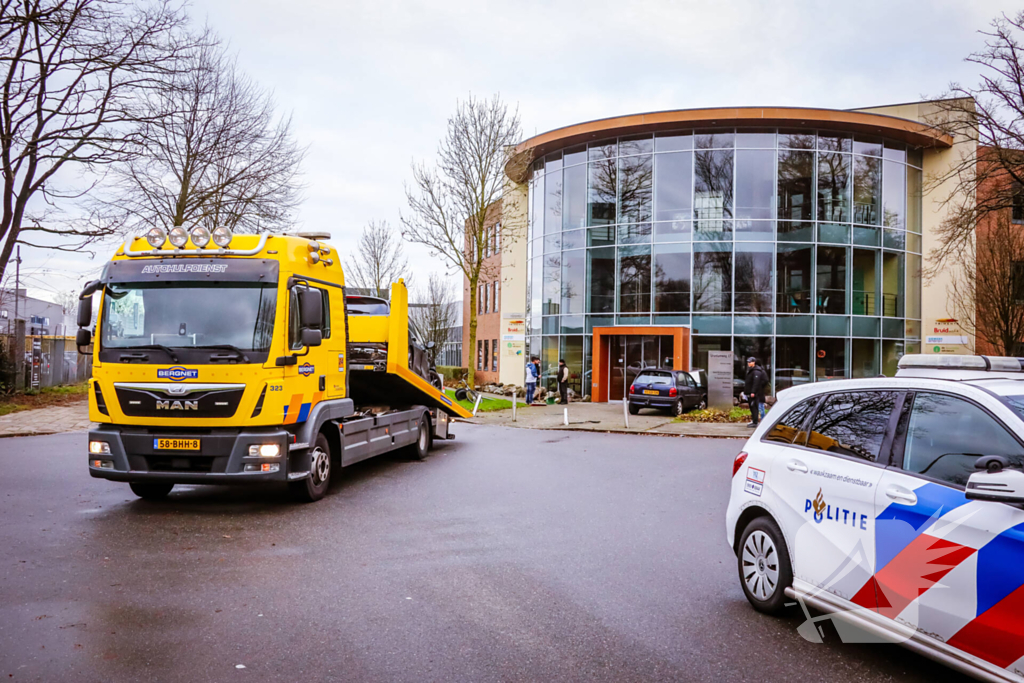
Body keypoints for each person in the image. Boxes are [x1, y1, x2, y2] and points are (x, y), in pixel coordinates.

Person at [742, 356, 768, 428]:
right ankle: (755, 421)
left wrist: (753, 391)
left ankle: (757, 421)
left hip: (756, 393)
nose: (748, 363)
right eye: (748, 362)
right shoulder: (751, 370)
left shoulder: (756, 371)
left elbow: (756, 382)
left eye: (750, 362)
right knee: (754, 407)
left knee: (756, 407)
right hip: (753, 392)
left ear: (754, 362)